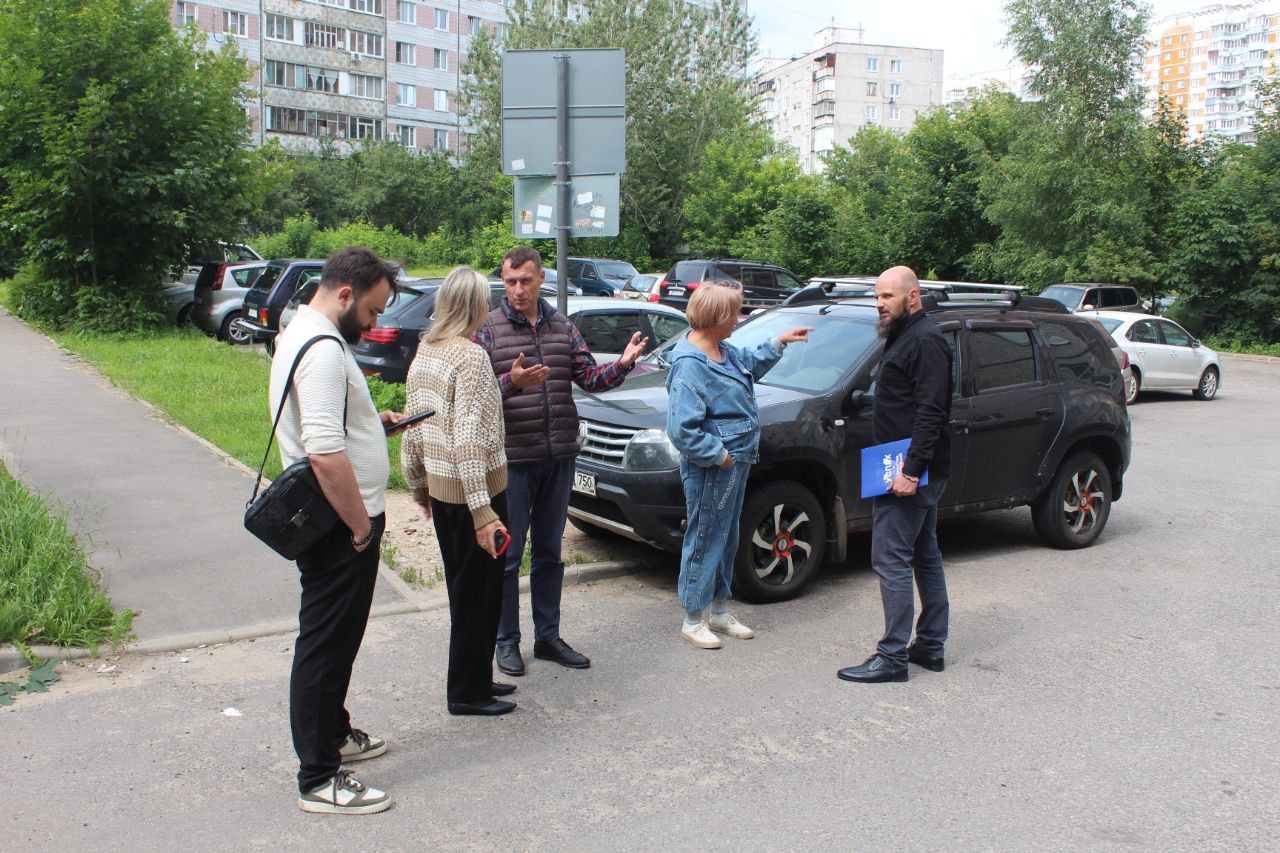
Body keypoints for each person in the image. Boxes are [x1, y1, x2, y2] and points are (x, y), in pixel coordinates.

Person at [269, 247, 404, 814]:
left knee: (339, 638)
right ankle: (319, 777)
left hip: (337, 520)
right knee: (325, 645)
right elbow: (324, 452)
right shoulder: (323, 350)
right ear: (345, 295)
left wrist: (375, 424)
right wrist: (357, 527)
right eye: (371, 313)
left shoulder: (300, 331)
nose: (373, 324)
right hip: (338, 523)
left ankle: (335, 735)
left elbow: (332, 428)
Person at [474, 247, 648, 677]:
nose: (517, 290)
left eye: (526, 281)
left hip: (558, 457)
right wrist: (510, 383)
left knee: (550, 553)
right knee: (508, 556)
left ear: (540, 280)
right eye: (510, 282)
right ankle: (506, 641)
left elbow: (589, 378)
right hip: (512, 461)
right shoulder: (488, 331)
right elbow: (475, 398)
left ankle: (548, 637)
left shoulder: (562, 327)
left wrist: (622, 365)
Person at [665, 281, 812, 649]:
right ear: (717, 317)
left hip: (736, 462)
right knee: (704, 536)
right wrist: (719, 455)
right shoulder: (690, 365)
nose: (738, 319)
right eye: (734, 313)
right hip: (713, 467)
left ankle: (718, 611)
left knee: (728, 536)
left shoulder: (721, 349)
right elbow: (682, 430)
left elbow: (748, 360)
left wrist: (779, 342)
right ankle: (693, 618)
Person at [401, 267, 516, 717]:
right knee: (480, 595)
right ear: (475, 307)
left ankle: (476, 677)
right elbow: (469, 435)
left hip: (446, 494)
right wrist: (483, 510)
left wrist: (418, 486)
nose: (491, 307)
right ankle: (467, 693)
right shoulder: (470, 358)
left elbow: (414, 427)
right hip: (475, 496)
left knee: (466, 592)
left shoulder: (426, 351)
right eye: (488, 300)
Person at [838, 265, 953, 684]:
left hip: (910, 471)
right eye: (877, 296)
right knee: (924, 555)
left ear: (913, 296)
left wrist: (910, 471)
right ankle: (930, 646)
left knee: (892, 560)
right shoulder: (903, 335)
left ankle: (892, 657)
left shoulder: (925, 340)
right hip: (903, 464)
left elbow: (931, 411)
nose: (880, 304)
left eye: (888, 296)